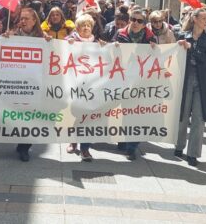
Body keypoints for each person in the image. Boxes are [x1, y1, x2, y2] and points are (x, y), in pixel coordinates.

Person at [173, 8, 206, 167]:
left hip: (201, 81)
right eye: (204, 18)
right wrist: (177, 46)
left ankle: (193, 154)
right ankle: (178, 145)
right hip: (185, 79)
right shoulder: (183, 35)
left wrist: (192, 48)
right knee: (182, 115)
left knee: (199, 118)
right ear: (195, 19)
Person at [6, 7, 50, 161]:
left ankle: (25, 147)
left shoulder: (43, 37)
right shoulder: (11, 35)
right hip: (15, 83)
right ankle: (18, 140)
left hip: (34, 85)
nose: (22, 21)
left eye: (26, 18)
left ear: (34, 21)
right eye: (21, 18)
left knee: (31, 116)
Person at [114, 9, 157, 160]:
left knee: (136, 113)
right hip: (122, 78)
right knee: (124, 111)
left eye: (140, 21)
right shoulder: (120, 34)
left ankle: (132, 146)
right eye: (133, 19)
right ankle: (123, 139)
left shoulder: (151, 37)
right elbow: (109, 51)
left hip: (141, 81)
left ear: (145, 24)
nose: (136, 23)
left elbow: (156, 58)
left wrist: (154, 50)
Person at [63, 14, 105, 161]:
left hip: (92, 86)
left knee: (89, 116)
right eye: (83, 25)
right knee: (76, 115)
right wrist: (68, 44)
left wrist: (113, 47)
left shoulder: (97, 43)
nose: (86, 28)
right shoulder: (70, 40)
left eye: (89, 25)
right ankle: (73, 141)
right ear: (77, 27)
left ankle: (85, 149)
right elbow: (59, 50)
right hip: (74, 85)